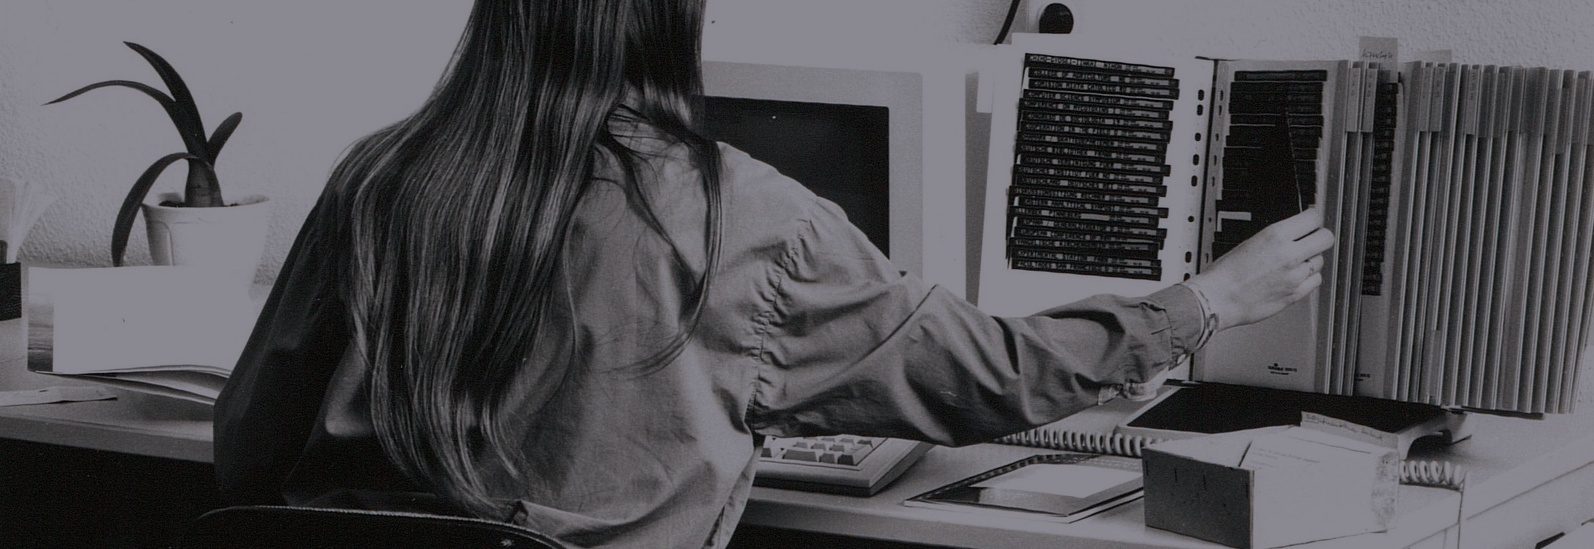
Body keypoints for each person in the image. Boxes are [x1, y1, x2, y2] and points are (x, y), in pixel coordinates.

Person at [212, 1, 1334, 548]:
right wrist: (1206, 304)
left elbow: (249, 445)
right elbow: (991, 377)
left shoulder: (382, 177)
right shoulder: (729, 209)